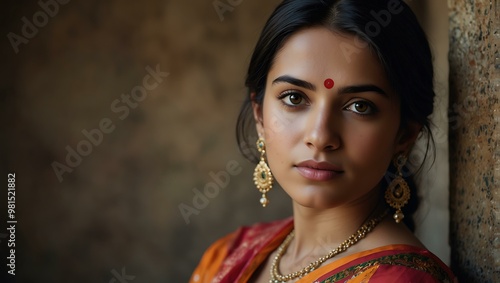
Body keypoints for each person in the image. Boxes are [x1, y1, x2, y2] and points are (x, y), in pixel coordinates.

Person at [190, 0, 457, 282]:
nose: (320, 137)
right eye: (294, 98)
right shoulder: (226, 256)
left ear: (404, 134)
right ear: (260, 115)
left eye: (360, 107)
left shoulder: (402, 279)